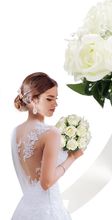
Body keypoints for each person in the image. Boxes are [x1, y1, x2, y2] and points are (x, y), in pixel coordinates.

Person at [11, 72, 83, 220]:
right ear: (32, 99)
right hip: (48, 210)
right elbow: (46, 183)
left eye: (56, 99)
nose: (55, 104)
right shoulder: (51, 133)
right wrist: (72, 158)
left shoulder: (16, 132)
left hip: (25, 209)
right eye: (49, 99)